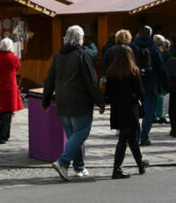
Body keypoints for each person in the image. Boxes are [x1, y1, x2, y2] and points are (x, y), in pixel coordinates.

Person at [42, 25, 106, 181]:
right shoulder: (81, 55)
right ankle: (63, 162)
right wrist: (101, 101)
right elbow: (92, 81)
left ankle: (79, 167)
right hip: (80, 101)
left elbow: (49, 78)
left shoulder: (58, 55)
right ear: (79, 38)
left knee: (73, 136)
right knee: (81, 132)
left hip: (62, 100)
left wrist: (46, 100)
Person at [104, 45, 149, 179]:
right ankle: (116, 169)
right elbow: (141, 91)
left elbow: (107, 93)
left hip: (117, 108)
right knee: (124, 138)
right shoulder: (133, 71)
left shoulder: (111, 72)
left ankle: (140, 164)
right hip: (130, 107)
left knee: (130, 137)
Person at [130, 25, 167, 145]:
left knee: (134, 112)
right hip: (151, 84)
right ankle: (144, 136)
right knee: (149, 112)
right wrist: (165, 85)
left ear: (138, 34)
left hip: (134, 83)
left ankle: (135, 136)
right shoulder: (154, 48)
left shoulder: (131, 47)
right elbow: (161, 68)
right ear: (150, 35)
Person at [0, 37, 23, 144]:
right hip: (10, 88)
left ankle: (4, 135)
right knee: (8, 113)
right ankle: (3, 135)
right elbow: (17, 68)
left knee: (2, 112)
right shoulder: (14, 58)